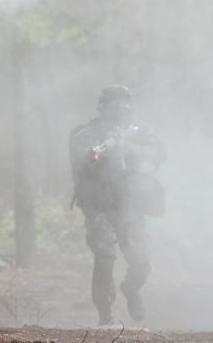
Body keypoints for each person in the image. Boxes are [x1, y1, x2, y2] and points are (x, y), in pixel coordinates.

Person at [69, 85, 165, 326]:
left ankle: (131, 289)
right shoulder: (88, 133)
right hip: (99, 205)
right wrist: (100, 152)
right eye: (113, 109)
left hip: (130, 205)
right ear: (102, 109)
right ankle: (105, 315)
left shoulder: (138, 131)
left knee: (142, 259)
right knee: (105, 257)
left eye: (123, 109)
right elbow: (82, 161)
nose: (119, 114)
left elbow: (160, 153)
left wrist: (132, 147)